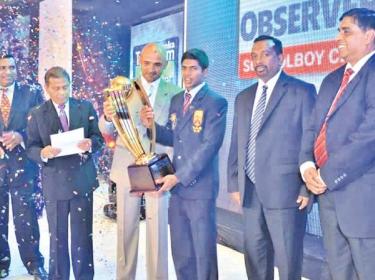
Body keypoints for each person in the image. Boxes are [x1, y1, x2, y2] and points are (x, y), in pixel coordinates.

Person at [227, 35, 316, 280]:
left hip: (287, 193)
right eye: (253, 55)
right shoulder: (243, 98)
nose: (258, 60)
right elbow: (238, 142)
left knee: (288, 260)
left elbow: (312, 141)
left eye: (265, 54)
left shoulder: (302, 91)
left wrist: (306, 187)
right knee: (255, 257)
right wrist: (234, 181)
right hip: (250, 191)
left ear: (280, 57)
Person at [299, 8, 375, 280]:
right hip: (327, 194)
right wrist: (307, 165)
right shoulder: (332, 79)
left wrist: (326, 175)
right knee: (336, 270)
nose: (338, 37)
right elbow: (314, 126)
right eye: (338, 31)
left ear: (369, 36)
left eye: (347, 31)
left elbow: (369, 137)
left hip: (362, 197)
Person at [141, 48, 228, 280]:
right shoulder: (178, 99)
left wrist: (179, 176)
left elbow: (209, 147)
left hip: (199, 189)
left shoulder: (216, 102)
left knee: (203, 253)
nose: (188, 74)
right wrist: (151, 126)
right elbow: (172, 136)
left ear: (205, 71)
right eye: (185, 68)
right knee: (181, 252)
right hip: (177, 190)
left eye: (194, 68)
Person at [99, 43, 181, 280]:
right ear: (139, 61)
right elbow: (104, 128)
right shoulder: (123, 88)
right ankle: (125, 277)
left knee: (157, 230)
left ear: (165, 65)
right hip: (127, 165)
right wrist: (106, 115)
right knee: (125, 228)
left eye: (157, 64)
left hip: (158, 169)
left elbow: (176, 132)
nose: (152, 69)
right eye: (147, 63)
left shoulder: (174, 92)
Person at [26, 66, 104, 280]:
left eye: (66, 87)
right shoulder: (37, 114)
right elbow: (30, 147)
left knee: (82, 238)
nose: (62, 93)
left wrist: (91, 143)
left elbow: (99, 139)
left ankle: (84, 277)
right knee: (58, 238)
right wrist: (43, 152)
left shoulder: (85, 107)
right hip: (55, 183)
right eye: (57, 88)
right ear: (47, 89)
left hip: (82, 180)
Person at [0, 54, 47, 279]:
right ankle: (1, 262)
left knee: (25, 215)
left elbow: (43, 125)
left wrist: (22, 135)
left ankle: (34, 263)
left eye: (11, 67)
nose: (7, 72)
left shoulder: (31, 92)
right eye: (2, 67)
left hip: (24, 165)